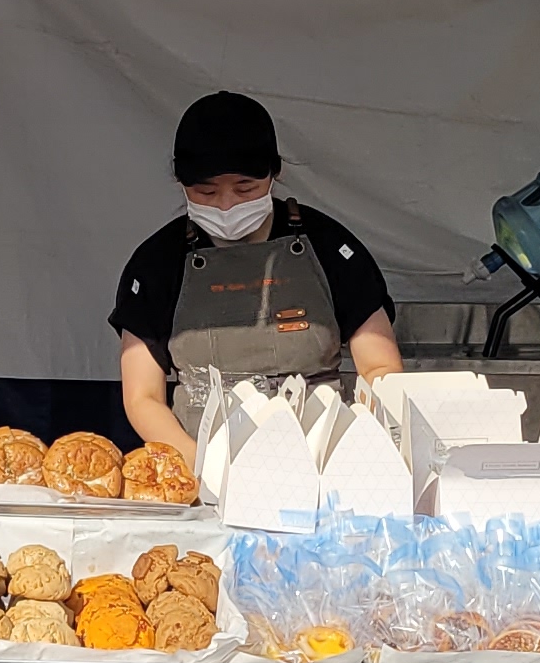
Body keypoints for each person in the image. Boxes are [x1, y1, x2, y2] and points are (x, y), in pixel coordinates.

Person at [113, 89, 405, 476]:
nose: (226, 205)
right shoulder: (157, 262)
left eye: (245, 188)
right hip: (201, 471)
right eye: (206, 191)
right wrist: (203, 468)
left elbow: (380, 368)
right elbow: (142, 396)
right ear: (181, 182)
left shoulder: (331, 247)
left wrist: (362, 452)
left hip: (323, 470)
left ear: (274, 173)